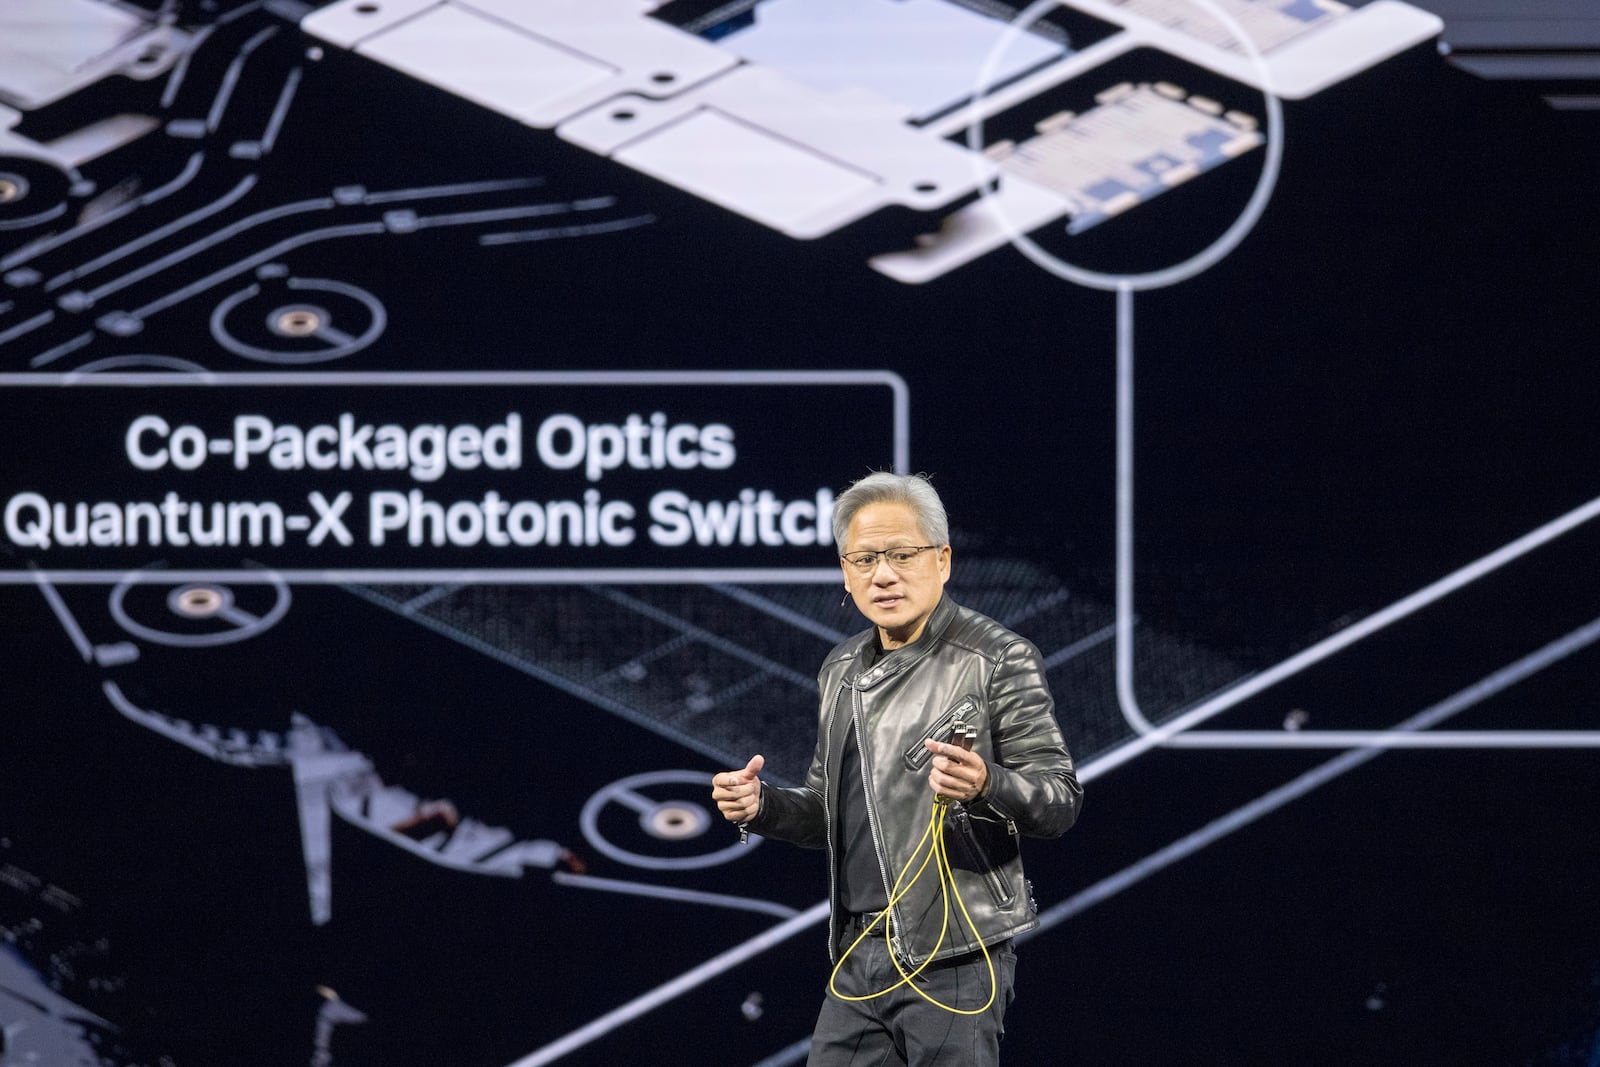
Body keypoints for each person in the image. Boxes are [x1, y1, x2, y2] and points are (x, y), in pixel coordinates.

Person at [712, 471, 1082, 1066]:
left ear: (942, 560)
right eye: (864, 559)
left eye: (902, 555)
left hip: (955, 954)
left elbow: (1059, 799)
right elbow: (828, 810)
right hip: (858, 950)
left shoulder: (998, 658)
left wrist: (988, 783)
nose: (883, 574)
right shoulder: (840, 668)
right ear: (845, 572)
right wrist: (764, 807)